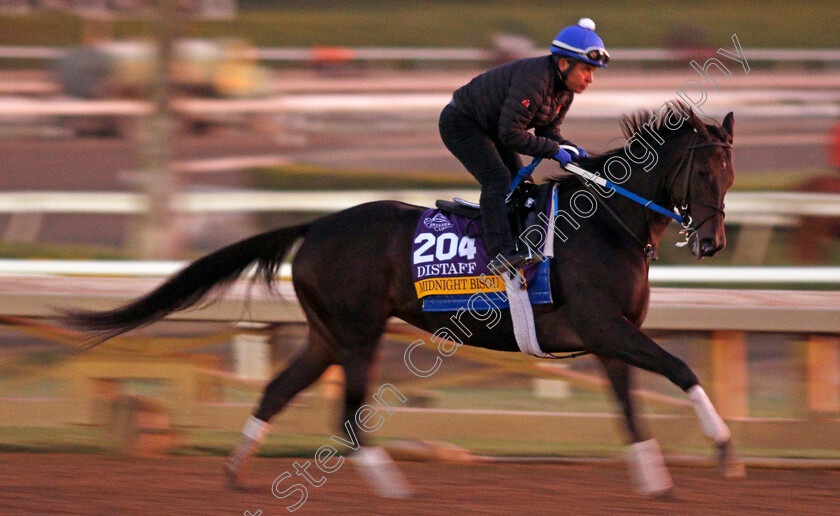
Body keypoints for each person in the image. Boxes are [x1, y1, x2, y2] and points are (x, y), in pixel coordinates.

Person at [439, 18, 609, 272]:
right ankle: (499, 253)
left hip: (493, 128)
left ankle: (521, 247)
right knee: (497, 179)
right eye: (586, 70)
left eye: (593, 71)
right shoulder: (535, 81)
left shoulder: (565, 92)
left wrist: (572, 150)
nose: (590, 79)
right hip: (462, 123)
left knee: (523, 189)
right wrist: (554, 150)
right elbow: (511, 136)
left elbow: (548, 131)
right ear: (564, 63)